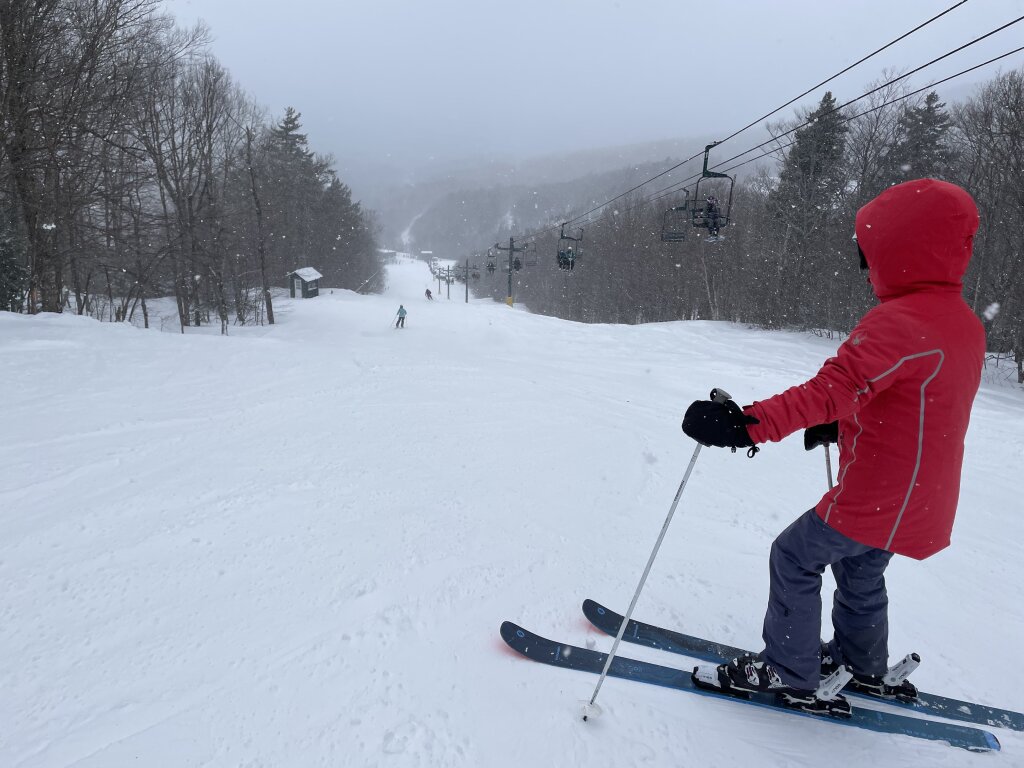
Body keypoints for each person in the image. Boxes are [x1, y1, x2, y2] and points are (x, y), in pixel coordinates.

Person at [681, 179, 985, 715]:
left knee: (794, 556)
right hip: (926, 499)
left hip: (878, 496)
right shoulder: (961, 323)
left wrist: (746, 424)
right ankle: (862, 664)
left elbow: (832, 389)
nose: (865, 268)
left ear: (900, 250)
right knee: (861, 571)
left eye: (869, 254)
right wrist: (846, 423)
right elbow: (914, 400)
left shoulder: (899, 322)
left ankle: (787, 669)